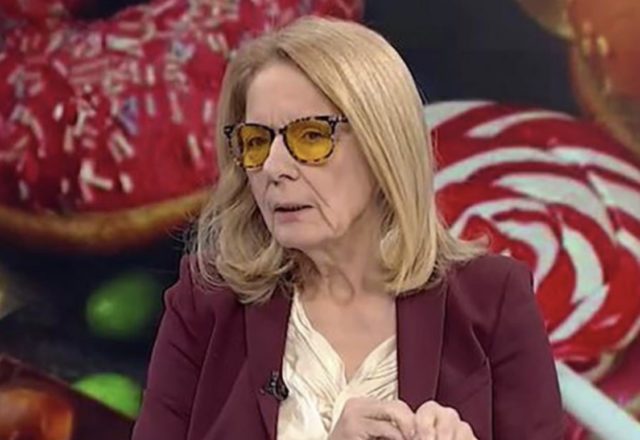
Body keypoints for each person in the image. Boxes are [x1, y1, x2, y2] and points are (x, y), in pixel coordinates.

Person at [131, 16, 563, 440]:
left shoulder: (492, 300)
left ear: (383, 147)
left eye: (310, 137)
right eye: (257, 142)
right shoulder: (206, 303)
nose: (273, 168)